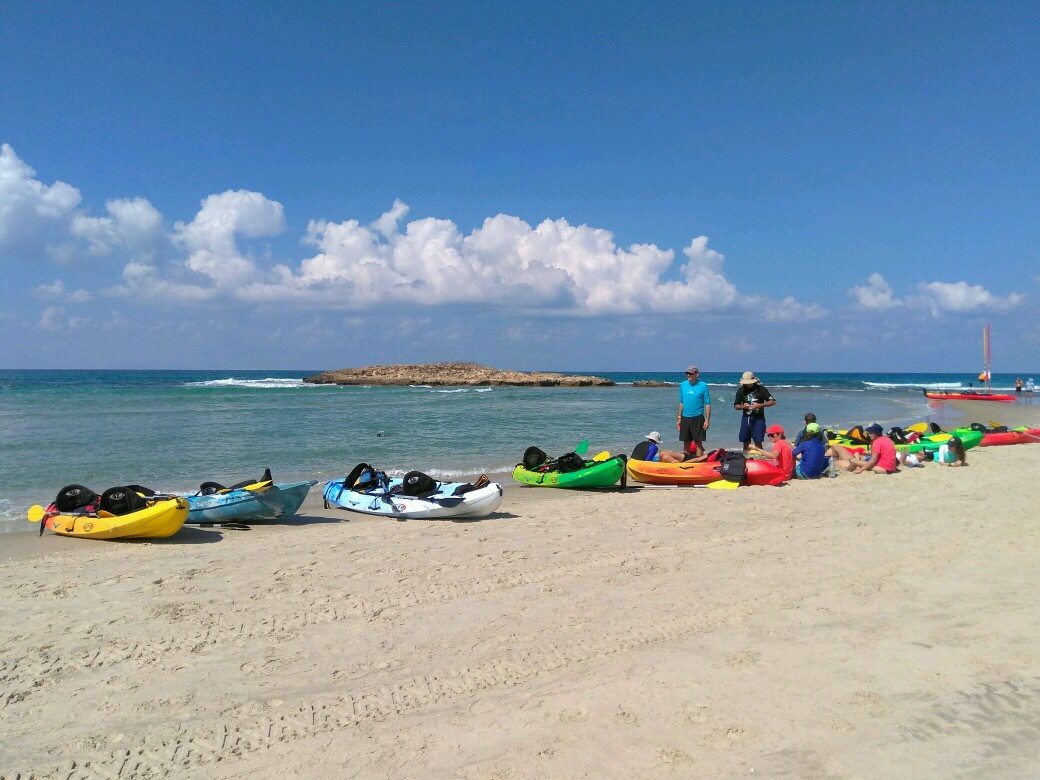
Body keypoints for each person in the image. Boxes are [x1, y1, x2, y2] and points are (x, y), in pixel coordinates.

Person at [827, 423, 898, 474]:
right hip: (890, 468)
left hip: (884, 469)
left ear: (876, 433)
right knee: (857, 460)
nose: (869, 435)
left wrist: (860, 470)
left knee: (854, 461)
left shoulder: (877, 442)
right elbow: (881, 454)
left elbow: (873, 461)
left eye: (870, 433)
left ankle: (848, 471)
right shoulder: (886, 439)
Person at [733, 371, 776, 452]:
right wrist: (743, 406)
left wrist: (759, 405)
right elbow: (736, 405)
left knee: (758, 441)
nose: (747, 384)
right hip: (746, 418)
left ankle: (760, 458)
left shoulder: (761, 389)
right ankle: (746, 459)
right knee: (745, 441)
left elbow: (773, 402)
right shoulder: (741, 390)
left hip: (758, 418)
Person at [678, 365, 711, 457]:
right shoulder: (683, 385)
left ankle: (699, 461)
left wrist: (707, 420)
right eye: (687, 373)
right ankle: (686, 462)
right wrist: (679, 417)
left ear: (696, 374)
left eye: (690, 373)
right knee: (686, 442)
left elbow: (707, 403)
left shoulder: (703, 385)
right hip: (685, 417)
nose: (688, 375)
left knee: (698, 442)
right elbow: (681, 402)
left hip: (698, 417)